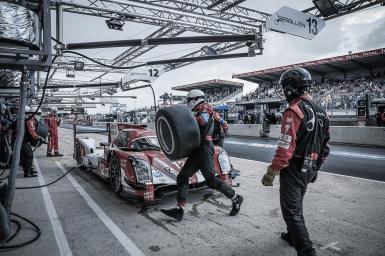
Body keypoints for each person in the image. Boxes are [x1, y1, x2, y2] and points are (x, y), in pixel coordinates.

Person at [261, 67, 330, 256]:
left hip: (293, 167)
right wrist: (316, 168)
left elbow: (285, 147)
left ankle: (306, 251)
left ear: (291, 88)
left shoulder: (294, 111)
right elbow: (325, 147)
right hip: (309, 168)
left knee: (291, 211)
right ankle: (293, 236)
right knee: (296, 204)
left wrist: (272, 171)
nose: (284, 92)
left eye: (285, 88)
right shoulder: (322, 112)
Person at [161, 89, 243, 221]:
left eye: (188, 100)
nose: (187, 103)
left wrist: (186, 119)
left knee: (210, 179)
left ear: (194, 99)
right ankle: (179, 209)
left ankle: (235, 198)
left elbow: (203, 121)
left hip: (205, 148)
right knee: (183, 177)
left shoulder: (205, 107)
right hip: (199, 148)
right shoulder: (200, 110)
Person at [20, 106, 41, 177]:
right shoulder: (30, 120)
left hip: (23, 140)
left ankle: (28, 169)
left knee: (26, 155)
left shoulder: (25, 119)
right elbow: (32, 131)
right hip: (22, 140)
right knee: (29, 155)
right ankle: (27, 172)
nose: (39, 115)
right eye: (38, 113)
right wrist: (38, 138)